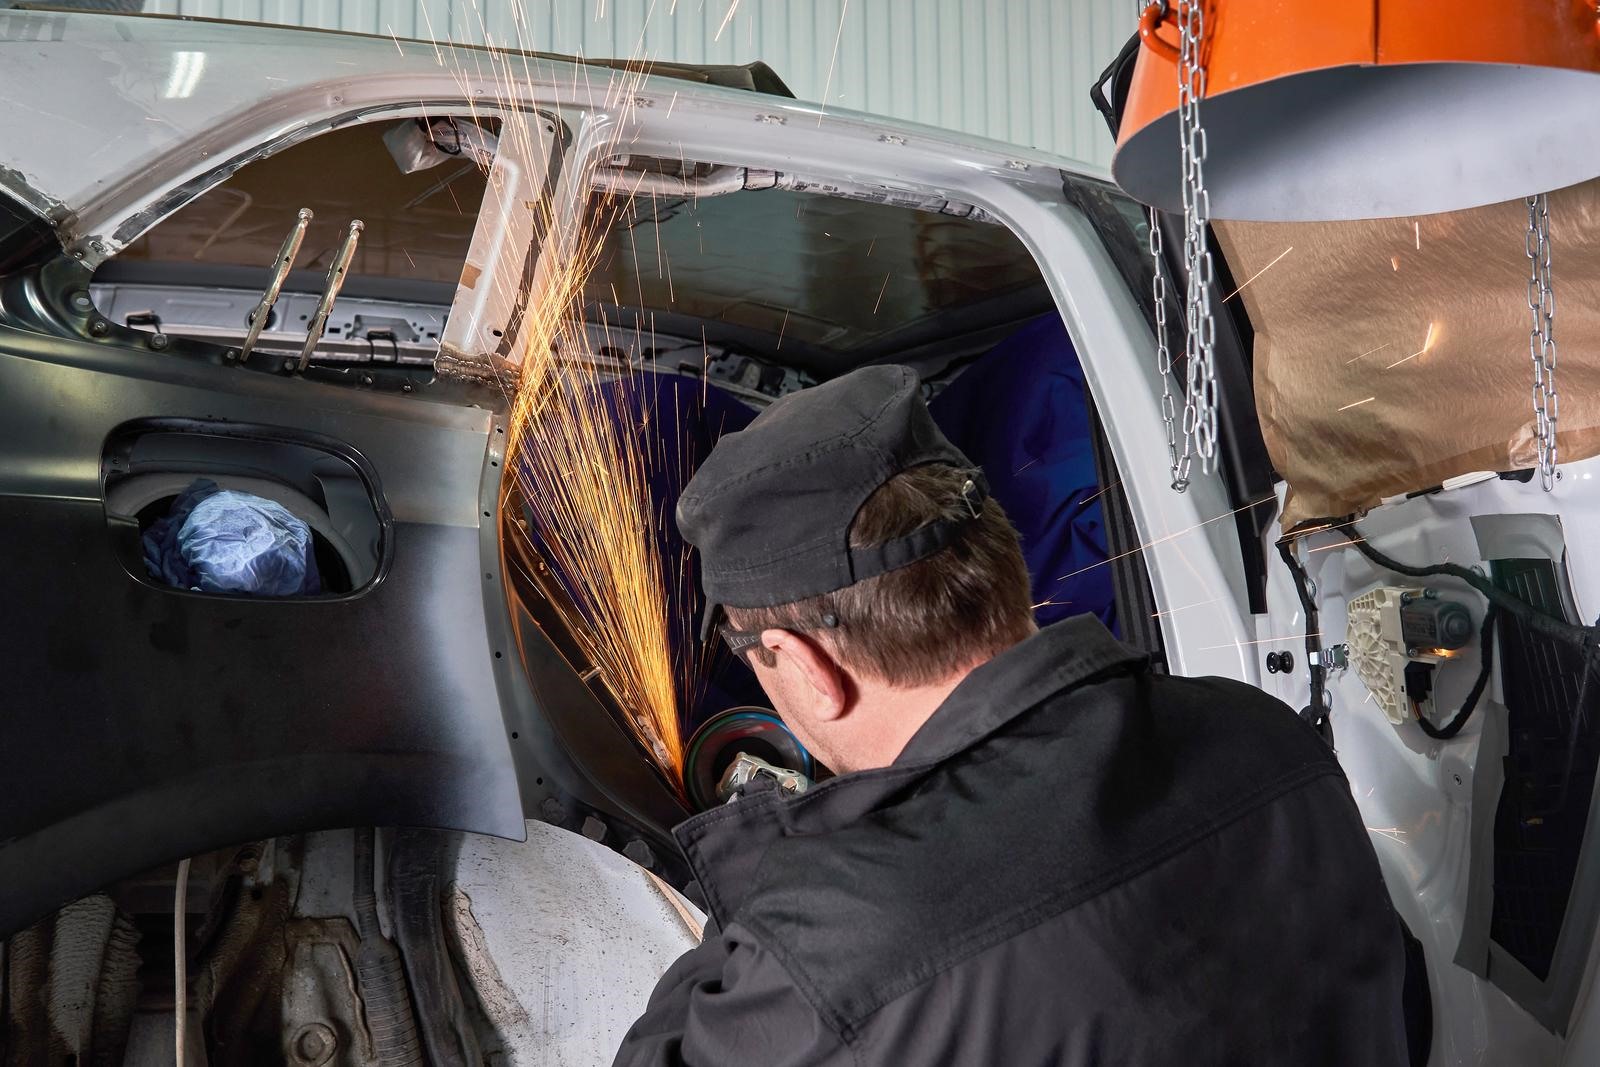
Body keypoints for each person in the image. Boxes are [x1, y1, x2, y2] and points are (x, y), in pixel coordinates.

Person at [613, 365, 1413, 1066]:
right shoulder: (1267, 739)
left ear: (807, 666)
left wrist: (771, 880)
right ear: (1001, 556)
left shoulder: (832, 950)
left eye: (753, 655)